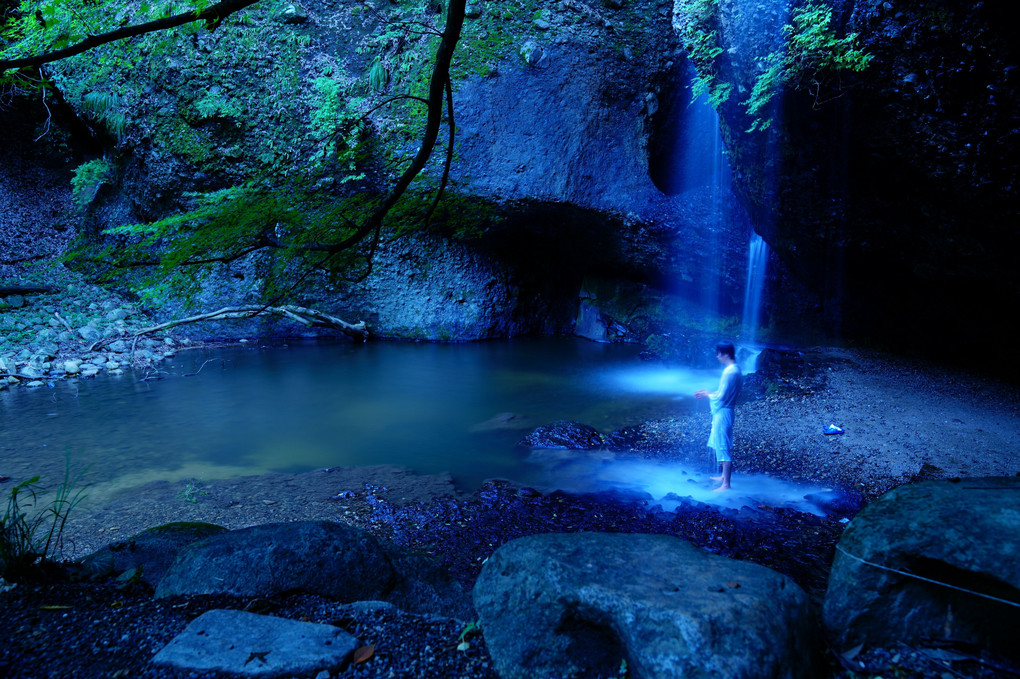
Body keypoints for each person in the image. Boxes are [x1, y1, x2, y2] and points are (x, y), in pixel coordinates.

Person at [694, 341, 742, 491]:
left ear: (726, 354)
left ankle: (726, 484)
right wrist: (709, 393)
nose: (717, 356)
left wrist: (707, 394)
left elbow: (721, 397)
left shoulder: (729, 371)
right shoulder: (736, 369)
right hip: (727, 410)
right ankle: (722, 477)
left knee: (723, 445)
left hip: (724, 412)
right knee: (720, 442)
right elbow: (724, 394)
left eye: (719, 353)